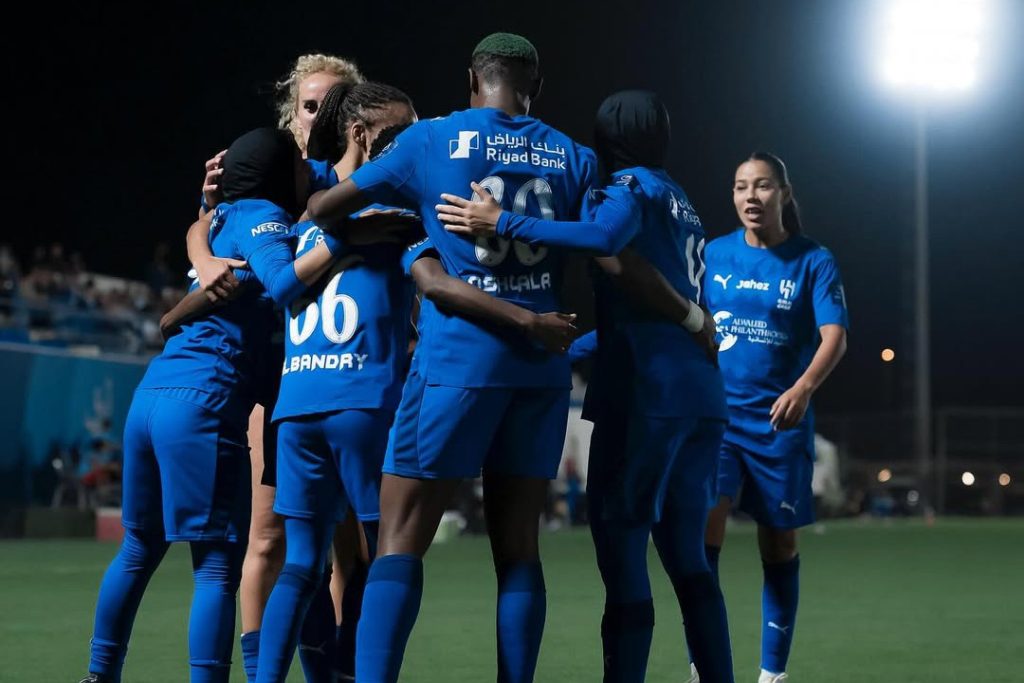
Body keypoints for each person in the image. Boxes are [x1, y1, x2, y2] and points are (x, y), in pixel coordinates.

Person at [306, 32, 602, 682]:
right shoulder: (574, 155)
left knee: (399, 539)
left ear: (473, 77)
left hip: (456, 364)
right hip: (540, 367)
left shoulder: (431, 139)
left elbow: (324, 206)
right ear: (537, 86)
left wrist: (385, 224)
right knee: (520, 548)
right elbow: (600, 253)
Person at [437, 90, 733, 682]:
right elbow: (646, 311)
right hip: (700, 393)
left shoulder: (626, 189)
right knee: (689, 561)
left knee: (622, 553)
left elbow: (601, 240)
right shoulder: (680, 199)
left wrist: (503, 221)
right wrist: (571, 346)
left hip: (645, 395)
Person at [79, 127, 343, 683]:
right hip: (205, 402)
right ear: (274, 173)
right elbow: (281, 280)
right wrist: (347, 241)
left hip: (151, 396)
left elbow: (206, 228)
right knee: (218, 567)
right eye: (295, 161)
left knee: (137, 549)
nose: (305, 167)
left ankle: (99, 676)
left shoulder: (221, 216)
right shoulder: (264, 216)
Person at [696, 152, 849, 683]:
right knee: (702, 537)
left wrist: (803, 387)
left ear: (784, 193)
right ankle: (705, 665)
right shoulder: (713, 254)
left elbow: (835, 336)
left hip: (779, 428)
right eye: (740, 187)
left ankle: (772, 674)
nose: (750, 197)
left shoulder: (813, 259)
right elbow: (682, 318)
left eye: (762, 186)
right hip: (716, 423)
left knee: (779, 544)